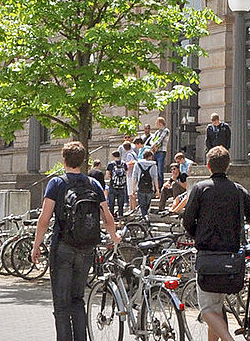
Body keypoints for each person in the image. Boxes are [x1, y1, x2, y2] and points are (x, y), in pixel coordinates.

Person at [30, 141, 122, 341]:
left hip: (63, 247)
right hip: (87, 248)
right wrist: (114, 236)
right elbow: (107, 217)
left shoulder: (57, 183)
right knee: (77, 300)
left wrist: (36, 245)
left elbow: (44, 219)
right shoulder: (94, 184)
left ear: (64, 160)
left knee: (62, 306)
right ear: (83, 161)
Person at [181, 146, 250, 341]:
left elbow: (187, 220)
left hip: (208, 255)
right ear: (228, 167)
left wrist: (197, 236)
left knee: (207, 309)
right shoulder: (238, 190)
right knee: (217, 307)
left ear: (208, 166)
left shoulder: (201, 188)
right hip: (232, 258)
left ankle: (228, 339)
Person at [129, 147, 160, 220]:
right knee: (147, 204)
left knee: (142, 205)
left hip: (140, 188)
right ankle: (146, 218)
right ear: (151, 156)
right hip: (150, 188)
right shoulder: (153, 165)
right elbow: (155, 178)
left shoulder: (138, 164)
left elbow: (134, 177)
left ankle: (144, 219)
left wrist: (133, 189)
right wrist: (157, 190)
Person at [107, 150, 130, 219]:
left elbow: (108, 175)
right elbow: (126, 173)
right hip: (122, 186)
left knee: (111, 203)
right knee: (121, 204)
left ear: (113, 156)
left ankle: (111, 217)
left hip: (113, 186)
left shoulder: (111, 164)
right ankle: (120, 217)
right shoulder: (124, 164)